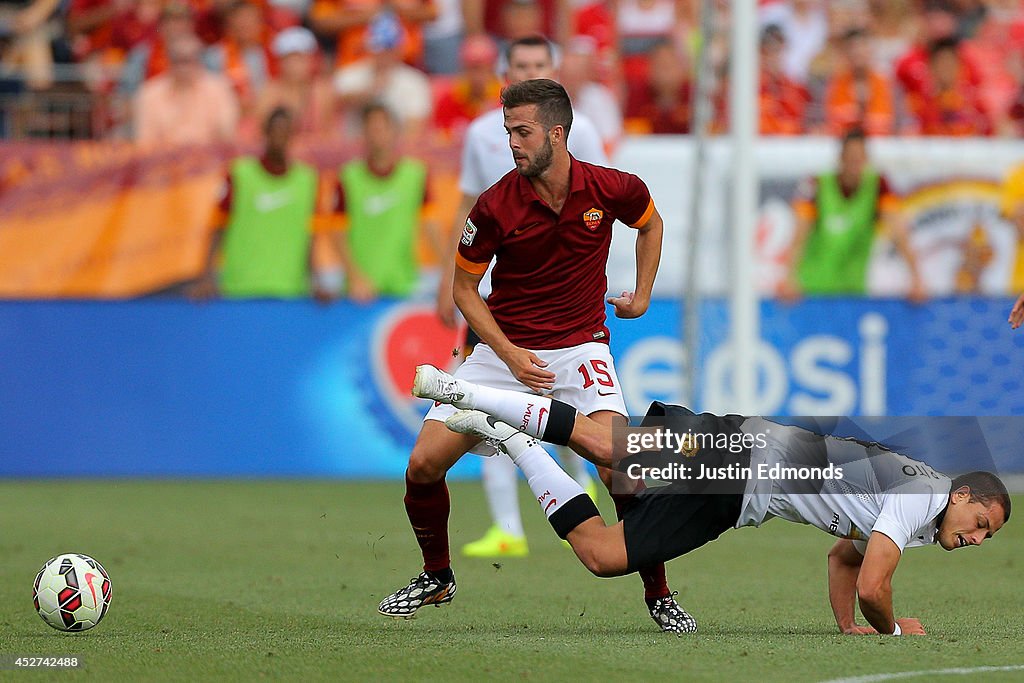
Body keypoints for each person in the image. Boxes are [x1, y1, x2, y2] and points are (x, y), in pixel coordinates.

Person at [378, 78, 685, 633]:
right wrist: (510, 354)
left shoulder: (611, 188)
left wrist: (642, 294)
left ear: (557, 133)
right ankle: (437, 575)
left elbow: (651, 224)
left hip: (581, 350)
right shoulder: (494, 207)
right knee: (422, 465)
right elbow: (464, 292)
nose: (512, 144)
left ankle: (659, 593)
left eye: (522, 132)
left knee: (619, 465)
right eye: (507, 132)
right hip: (504, 355)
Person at [411, 363, 1011, 635]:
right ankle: (491, 418)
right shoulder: (925, 493)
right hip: (737, 477)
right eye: (981, 520)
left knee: (606, 449)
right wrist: (893, 631)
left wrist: (848, 625)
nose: (978, 537)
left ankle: (473, 401)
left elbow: (845, 559)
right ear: (961, 493)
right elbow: (877, 585)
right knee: (603, 553)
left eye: (987, 536)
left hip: (740, 439)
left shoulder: (913, 493)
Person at [436, 35, 607, 561]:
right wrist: (451, 282)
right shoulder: (480, 135)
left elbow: (595, 202)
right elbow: (467, 205)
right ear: (505, 74)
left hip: (561, 303)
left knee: (562, 405)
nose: (529, 68)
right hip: (492, 297)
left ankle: (584, 486)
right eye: (521, 63)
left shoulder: (585, 134)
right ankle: (507, 526)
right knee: (489, 405)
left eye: (539, 63)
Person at [192, 107, 329, 300]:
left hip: (288, 291)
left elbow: (310, 237)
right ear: (265, 133)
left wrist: (315, 280)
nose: (279, 138)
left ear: (292, 136)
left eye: (285, 132)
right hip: (241, 288)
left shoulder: (307, 180)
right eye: (275, 131)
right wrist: (206, 276)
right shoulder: (239, 175)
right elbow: (217, 228)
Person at [780, 127, 924, 301]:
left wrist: (916, 278)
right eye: (850, 157)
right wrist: (789, 278)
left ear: (866, 159)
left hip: (854, 290)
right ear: (841, 158)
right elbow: (799, 235)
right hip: (814, 289)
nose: (854, 163)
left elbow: (899, 233)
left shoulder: (879, 186)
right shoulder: (817, 184)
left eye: (859, 157)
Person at [332, 102, 441, 301]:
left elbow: (431, 225)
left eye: (382, 128)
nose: (377, 135)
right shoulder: (348, 178)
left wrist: (448, 271)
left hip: (402, 284)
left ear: (394, 132)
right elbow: (337, 233)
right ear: (363, 134)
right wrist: (355, 277)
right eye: (371, 129)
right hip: (359, 292)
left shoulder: (415, 175)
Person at [133, 33, 239, 146]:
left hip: (211, 157)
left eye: (189, 60)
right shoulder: (149, 93)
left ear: (199, 62)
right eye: (178, 60)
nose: (183, 67)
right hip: (164, 159)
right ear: (168, 62)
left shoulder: (219, 88)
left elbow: (227, 135)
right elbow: (145, 143)